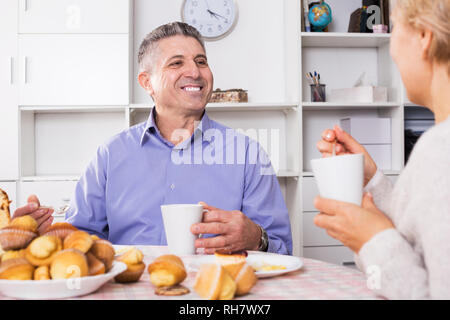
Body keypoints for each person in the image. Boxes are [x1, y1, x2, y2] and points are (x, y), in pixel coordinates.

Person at [13, 22, 292, 255]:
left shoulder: (247, 154)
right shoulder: (110, 155)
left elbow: (282, 248)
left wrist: (257, 237)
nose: (194, 72)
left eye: (201, 61)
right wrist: (34, 238)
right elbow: (79, 240)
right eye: (176, 63)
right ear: (147, 82)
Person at [314, 0, 450, 299]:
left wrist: (370, 240)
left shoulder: (440, 149)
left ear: (424, 37)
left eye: (396, 29)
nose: (392, 49)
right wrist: (371, 180)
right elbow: (422, 234)